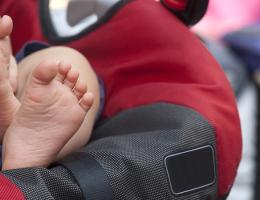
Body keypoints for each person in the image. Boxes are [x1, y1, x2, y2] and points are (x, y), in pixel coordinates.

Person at [0, 0, 242, 199]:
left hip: (25, 79)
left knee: (65, 68)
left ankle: (20, 132)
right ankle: (22, 164)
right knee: (68, 72)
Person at [0, 15, 102, 169]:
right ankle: (21, 158)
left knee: (65, 62)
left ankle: (27, 139)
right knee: (67, 77)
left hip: (15, 88)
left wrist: (6, 57)